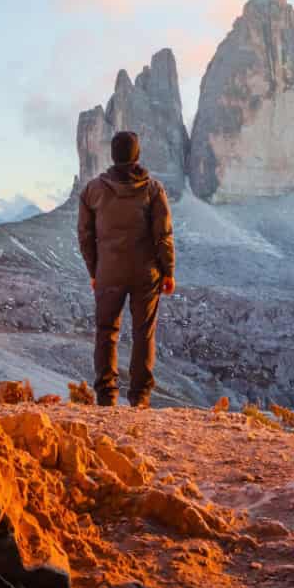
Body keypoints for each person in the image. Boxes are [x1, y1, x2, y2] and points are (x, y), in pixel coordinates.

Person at [75, 130, 175, 407]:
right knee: (144, 333)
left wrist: (94, 271)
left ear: (112, 155)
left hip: (109, 272)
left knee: (106, 330)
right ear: (137, 155)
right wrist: (168, 272)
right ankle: (140, 397)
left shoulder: (92, 190)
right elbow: (163, 234)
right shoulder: (153, 189)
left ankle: (106, 396)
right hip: (146, 273)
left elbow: (84, 235)